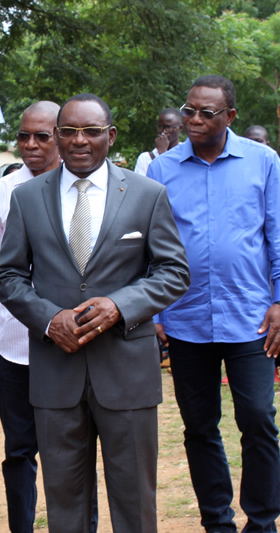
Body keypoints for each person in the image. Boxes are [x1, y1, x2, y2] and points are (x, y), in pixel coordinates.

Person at [0, 92, 190, 533]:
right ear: (58, 137)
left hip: (127, 374)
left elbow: (174, 272)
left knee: (135, 500)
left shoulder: (146, 194)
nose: (79, 140)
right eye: (69, 131)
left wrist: (120, 305)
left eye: (91, 131)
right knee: (64, 502)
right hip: (54, 374)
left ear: (111, 136)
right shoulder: (26, 197)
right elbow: (8, 276)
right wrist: (47, 319)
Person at [147, 75, 280, 533]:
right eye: (189, 110)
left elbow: (276, 236)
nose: (195, 120)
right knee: (200, 427)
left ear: (231, 117)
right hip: (185, 321)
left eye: (207, 112)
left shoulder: (263, 162)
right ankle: (217, 522)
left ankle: (262, 522)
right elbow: (152, 249)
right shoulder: (162, 170)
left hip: (252, 319)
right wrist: (157, 314)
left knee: (260, 421)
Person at [0, 101, 61, 533]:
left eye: (41, 136)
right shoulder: (0, 192)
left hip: (69, 347)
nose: (30, 145)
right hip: (14, 346)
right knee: (19, 449)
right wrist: (30, 308)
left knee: (70, 451)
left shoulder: (81, 190)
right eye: (24, 136)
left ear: (63, 135)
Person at [133, 108, 183, 176]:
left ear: (180, 128)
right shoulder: (145, 158)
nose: (163, 132)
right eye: (160, 127)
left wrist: (163, 154)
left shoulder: (186, 156)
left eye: (168, 128)